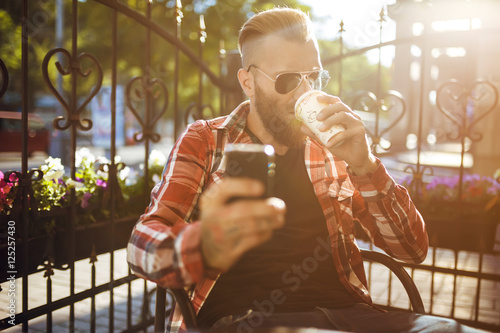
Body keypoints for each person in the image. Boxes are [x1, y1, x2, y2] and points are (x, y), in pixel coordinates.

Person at [127, 7, 487, 333]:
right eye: (287, 79)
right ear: (248, 82)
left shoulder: (333, 150)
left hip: (348, 314)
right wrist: (202, 244)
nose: (303, 90)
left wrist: (365, 165)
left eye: (313, 77)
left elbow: (412, 249)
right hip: (244, 319)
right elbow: (142, 242)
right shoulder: (207, 140)